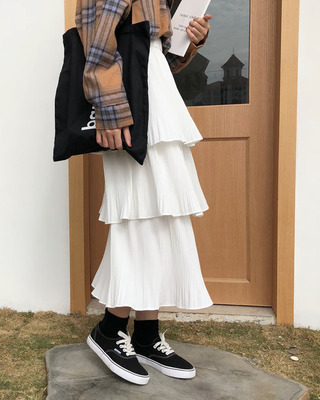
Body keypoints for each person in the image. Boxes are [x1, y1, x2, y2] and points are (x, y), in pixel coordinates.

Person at [75, 0, 213, 385]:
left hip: (158, 96)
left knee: (165, 214)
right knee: (136, 215)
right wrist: (108, 107)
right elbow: (96, 37)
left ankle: (147, 334)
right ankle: (110, 328)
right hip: (127, 102)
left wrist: (190, 40)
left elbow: (156, 56)